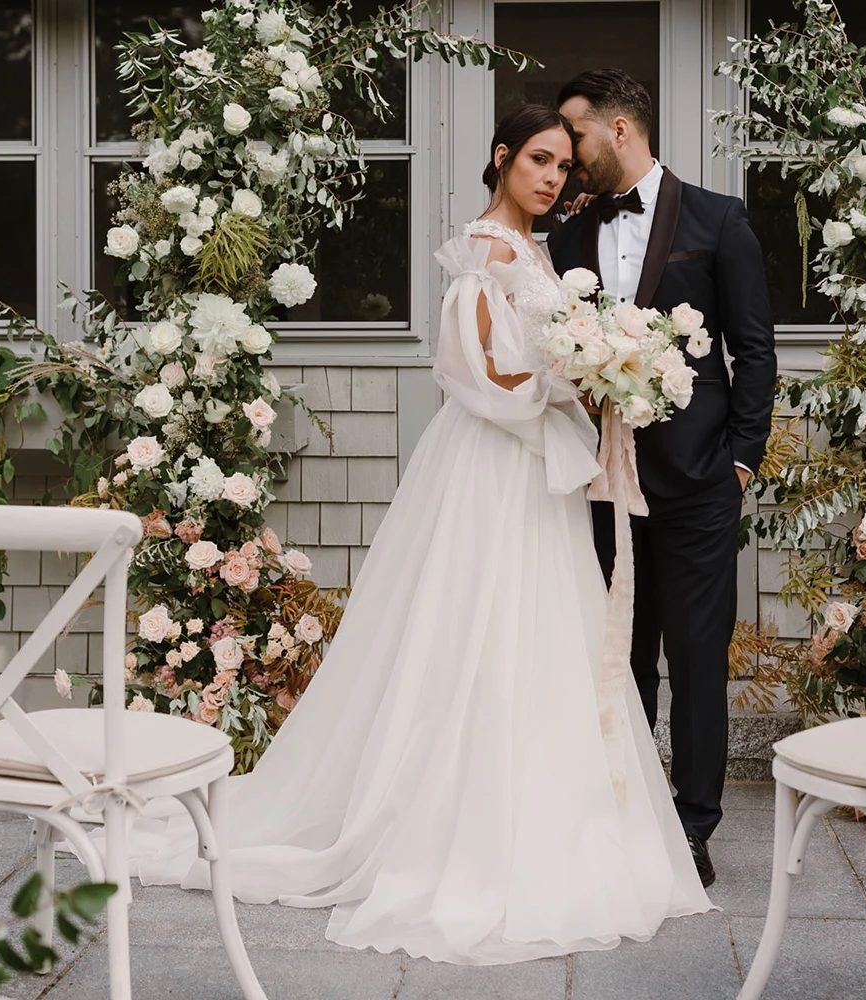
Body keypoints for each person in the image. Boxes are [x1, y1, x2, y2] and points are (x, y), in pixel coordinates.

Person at [125, 104, 713, 965]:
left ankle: (546, 811)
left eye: (563, 168)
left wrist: (592, 372)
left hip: (537, 481)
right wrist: (570, 374)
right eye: (537, 161)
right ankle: (454, 821)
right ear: (501, 158)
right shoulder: (483, 252)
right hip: (489, 470)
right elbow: (476, 375)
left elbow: (534, 363)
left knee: (541, 636)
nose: (552, 179)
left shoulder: (539, 250)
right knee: (473, 627)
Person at [549, 69, 777, 888]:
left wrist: (741, 460)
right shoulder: (568, 234)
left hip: (698, 482)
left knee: (696, 655)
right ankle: (626, 807)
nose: (565, 155)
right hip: (602, 483)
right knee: (621, 652)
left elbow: (754, 349)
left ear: (618, 128)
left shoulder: (718, 220)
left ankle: (692, 825)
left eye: (573, 135)